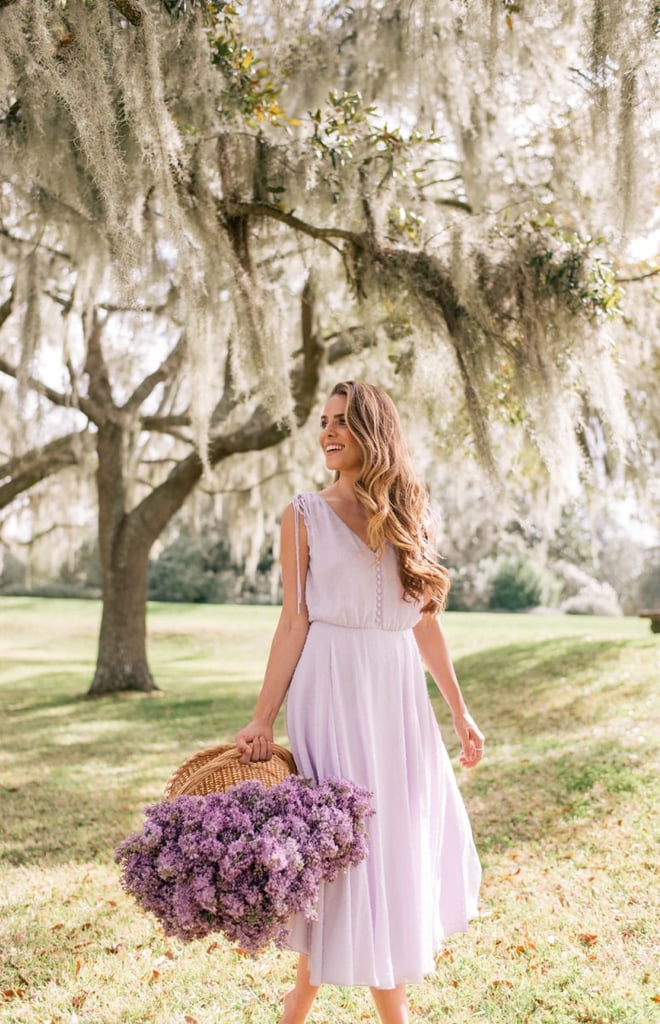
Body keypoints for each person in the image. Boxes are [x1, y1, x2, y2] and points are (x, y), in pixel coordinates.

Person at [235, 381, 484, 1024]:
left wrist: (458, 709)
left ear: (373, 430)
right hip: (332, 686)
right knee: (342, 845)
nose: (327, 432)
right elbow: (294, 622)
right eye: (323, 422)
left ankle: (300, 1002)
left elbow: (424, 621)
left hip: (397, 693)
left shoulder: (409, 514)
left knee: (389, 843)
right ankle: (365, 1011)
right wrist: (262, 716)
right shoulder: (303, 514)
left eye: (342, 421)